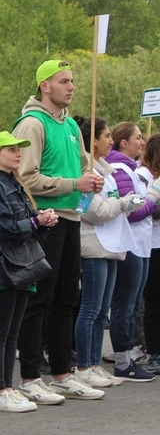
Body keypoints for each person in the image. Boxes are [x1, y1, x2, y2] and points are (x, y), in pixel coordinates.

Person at [11, 60, 103, 404]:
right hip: (45, 219)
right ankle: (30, 376)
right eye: (64, 81)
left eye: (74, 81)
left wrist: (90, 180)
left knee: (67, 298)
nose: (72, 86)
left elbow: (82, 165)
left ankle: (63, 373)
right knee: (39, 298)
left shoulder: (71, 127)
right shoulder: (33, 124)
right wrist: (72, 183)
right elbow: (25, 178)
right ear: (44, 86)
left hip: (71, 218)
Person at [0, 132, 56, 412]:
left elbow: (22, 226)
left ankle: (7, 388)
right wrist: (35, 222)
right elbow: (4, 229)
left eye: (19, 149)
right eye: (11, 149)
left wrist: (43, 221)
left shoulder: (15, 184)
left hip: (21, 264)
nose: (18, 153)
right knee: (0, 331)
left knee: (12, 332)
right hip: (1, 266)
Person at [73, 116, 133, 387]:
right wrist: (121, 204)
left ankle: (94, 364)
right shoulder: (85, 172)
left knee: (100, 312)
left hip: (110, 245)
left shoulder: (105, 171)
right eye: (106, 136)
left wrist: (122, 204)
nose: (111, 141)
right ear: (92, 140)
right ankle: (83, 365)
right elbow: (92, 210)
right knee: (90, 309)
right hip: (93, 245)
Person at [104, 122, 158, 383]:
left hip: (141, 244)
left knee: (133, 302)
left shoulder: (131, 169)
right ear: (123, 143)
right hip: (130, 243)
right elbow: (133, 211)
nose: (142, 142)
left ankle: (129, 355)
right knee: (125, 304)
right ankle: (123, 360)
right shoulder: (120, 169)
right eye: (138, 137)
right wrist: (153, 200)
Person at [137, 134, 160, 374]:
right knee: (154, 303)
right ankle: (155, 352)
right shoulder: (151, 181)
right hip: (154, 245)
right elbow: (146, 208)